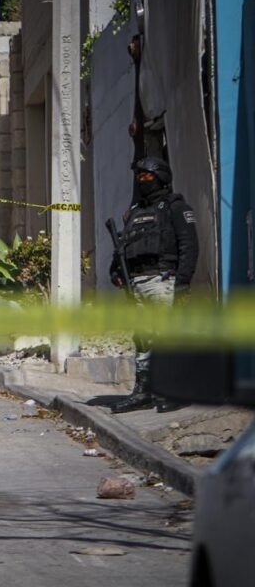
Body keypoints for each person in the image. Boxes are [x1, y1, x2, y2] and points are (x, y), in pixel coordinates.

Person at [109, 156, 198, 414]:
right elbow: (124, 246)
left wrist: (182, 283)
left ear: (161, 177)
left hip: (163, 281)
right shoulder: (136, 212)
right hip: (137, 283)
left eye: (147, 176)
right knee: (143, 340)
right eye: (139, 176)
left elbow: (189, 246)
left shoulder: (176, 208)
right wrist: (115, 271)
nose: (141, 180)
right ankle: (144, 392)